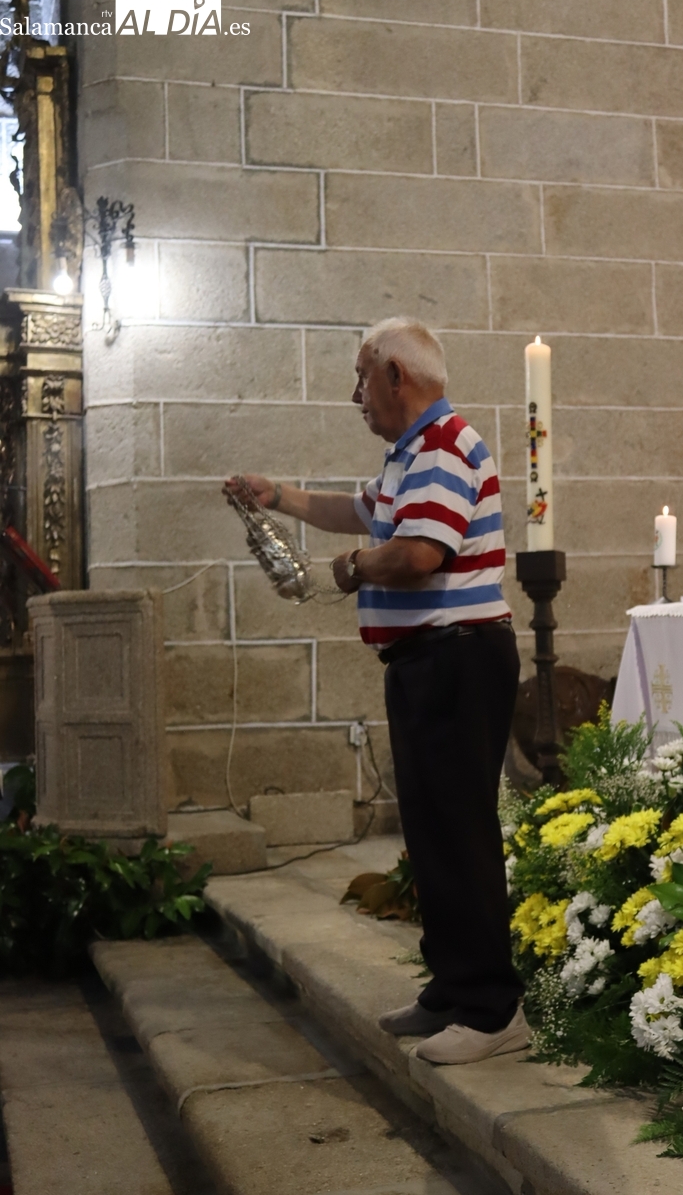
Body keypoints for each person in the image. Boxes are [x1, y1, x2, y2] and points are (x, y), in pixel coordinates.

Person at [226, 318, 527, 1065]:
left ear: (397, 376)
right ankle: (451, 988)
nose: (354, 393)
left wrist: (349, 570)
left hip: (459, 658)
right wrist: (277, 495)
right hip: (428, 661)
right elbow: (353, 511)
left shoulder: (445, 445)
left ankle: (493, 1011)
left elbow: (419, 555)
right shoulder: (409, 455)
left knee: (459, 830)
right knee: (429, 831)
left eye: (361, 376)